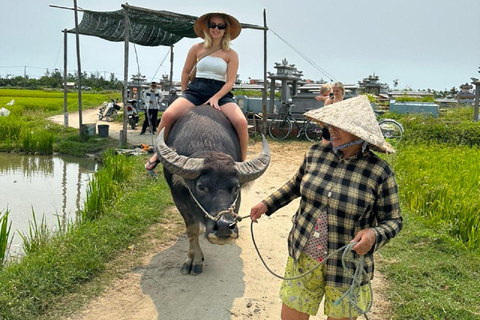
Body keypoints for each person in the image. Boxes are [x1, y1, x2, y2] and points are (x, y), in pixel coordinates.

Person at [250, 95, 402, 320]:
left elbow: (394, 221)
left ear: (360, 134)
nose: (332, 130)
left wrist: (373, 234)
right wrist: (266, 204)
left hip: (346, 265)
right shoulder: (315, 153)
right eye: (331, 124)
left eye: (340, 126)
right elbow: (295, 185)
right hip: (304, 254)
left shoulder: (379, 172)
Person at [145, 12, 248, 170]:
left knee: (241, 122)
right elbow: (186, 72)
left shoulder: (231, 54)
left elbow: (230, 81)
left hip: (220, 93)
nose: (216, 28)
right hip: (196, 91)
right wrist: (185, 93)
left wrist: (216, 97)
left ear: (225, 29)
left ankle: (242, 162)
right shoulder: (197, 48)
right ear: (207, 27)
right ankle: (158, 152)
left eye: (220, 26)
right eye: (212, 25)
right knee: (168, 115)